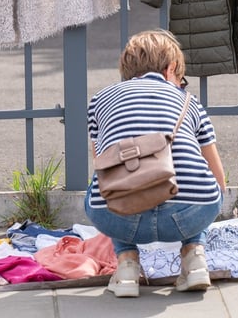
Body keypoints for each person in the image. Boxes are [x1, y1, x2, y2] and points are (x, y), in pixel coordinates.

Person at [84, 29, 227, 298]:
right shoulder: (189, 101)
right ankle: (194, 256)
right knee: (209, 189)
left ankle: (127, 265)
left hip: (119, 217)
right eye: (180, 78)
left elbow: (101, 163)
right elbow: (219, 177)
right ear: (171, 67)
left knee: (106, 190)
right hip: (187, 216)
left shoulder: (99, 100)